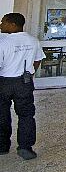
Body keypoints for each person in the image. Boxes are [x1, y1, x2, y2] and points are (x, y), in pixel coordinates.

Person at [0, 13, 45, 160]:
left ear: (13, 24)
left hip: (4, 82)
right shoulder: (33, 41)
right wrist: (29, 74)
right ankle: (25, 147)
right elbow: (38, 60)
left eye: (3, 22)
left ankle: (2, 145)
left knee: (2, 114)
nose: (1, 25)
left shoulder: (2, 42)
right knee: (26, 115)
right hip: (24, 83)